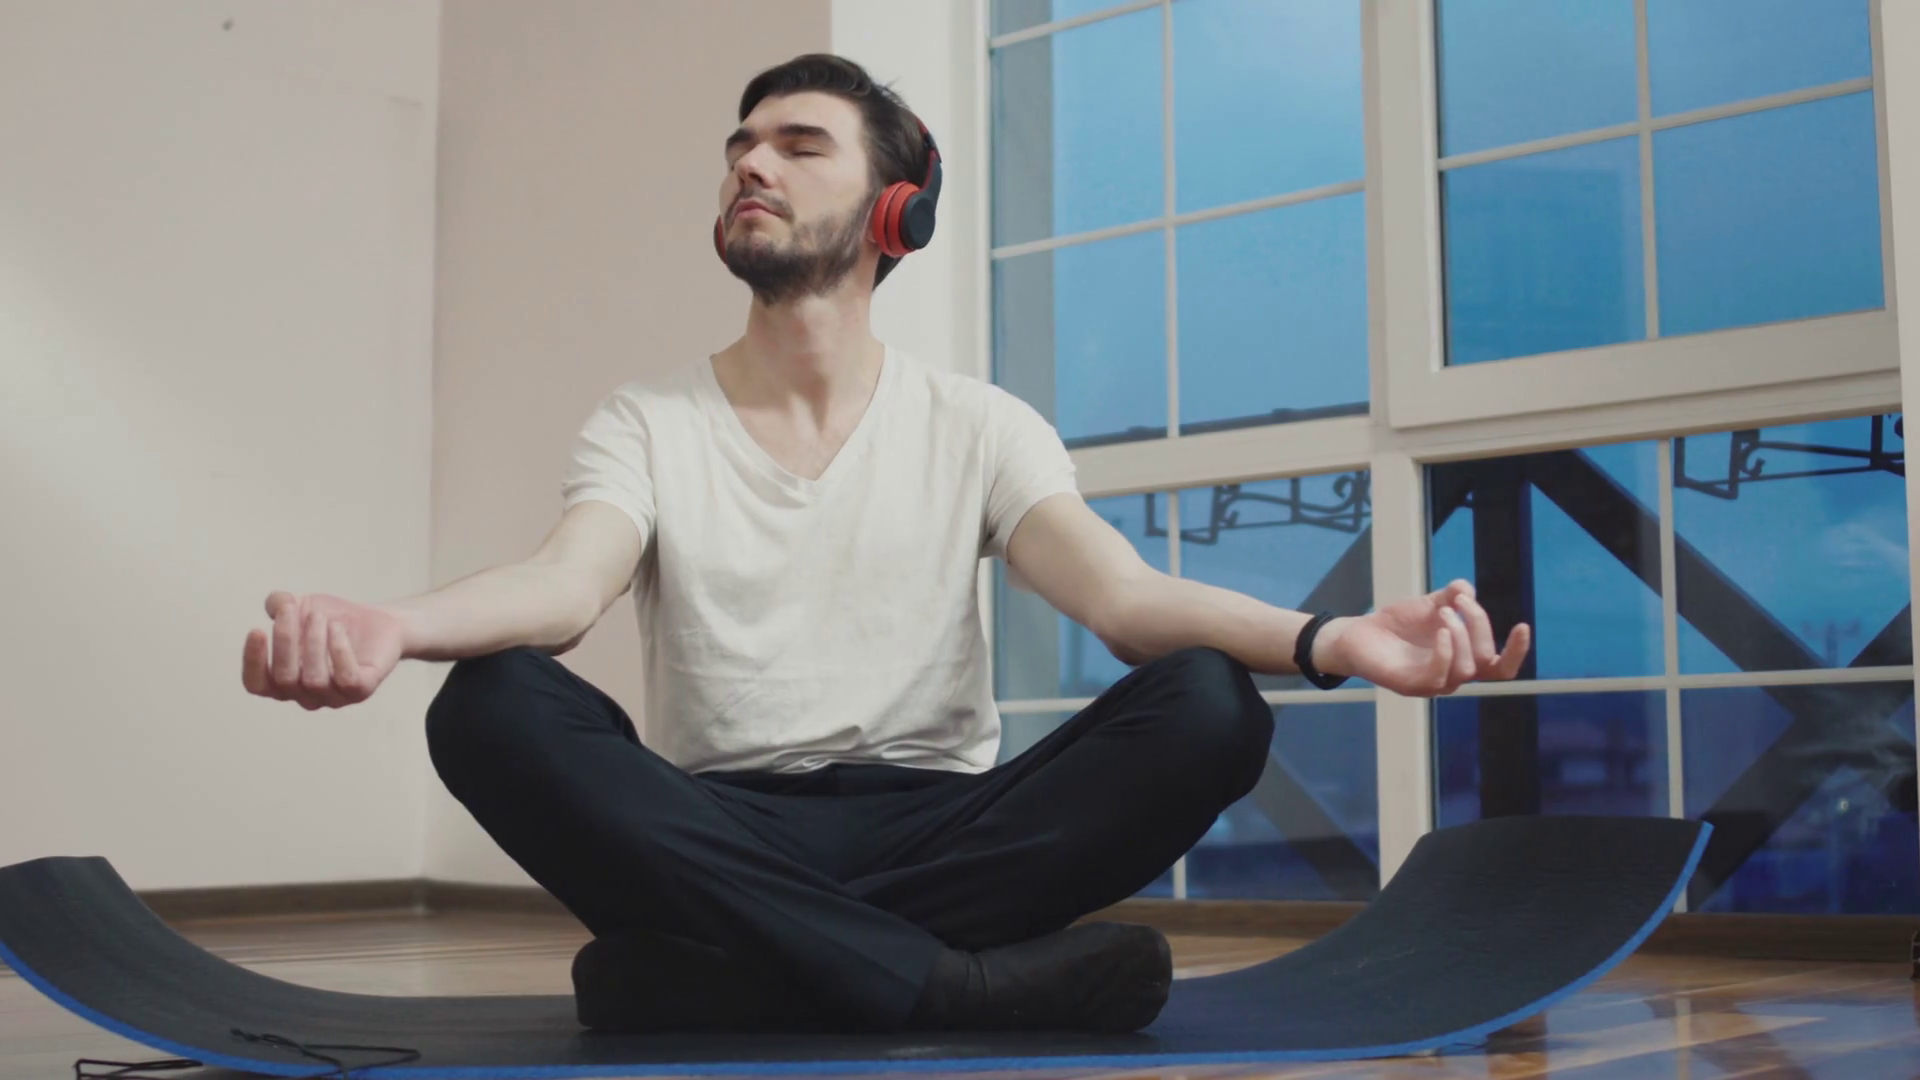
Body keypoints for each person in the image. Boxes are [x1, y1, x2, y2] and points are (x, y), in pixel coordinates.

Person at [239, 53, 1530, 1036]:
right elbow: (563, 588)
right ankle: (945, 986)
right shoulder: (647, 421)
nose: (751, 163)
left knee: (1207, 702)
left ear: (895, 214)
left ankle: (738, 973)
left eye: (799, 145)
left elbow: (1124, 603)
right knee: (491, 705)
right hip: (717, 827)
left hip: (941, 832)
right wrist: (393, 627)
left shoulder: (979, 424)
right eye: (741, 145)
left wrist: (1332, 639)